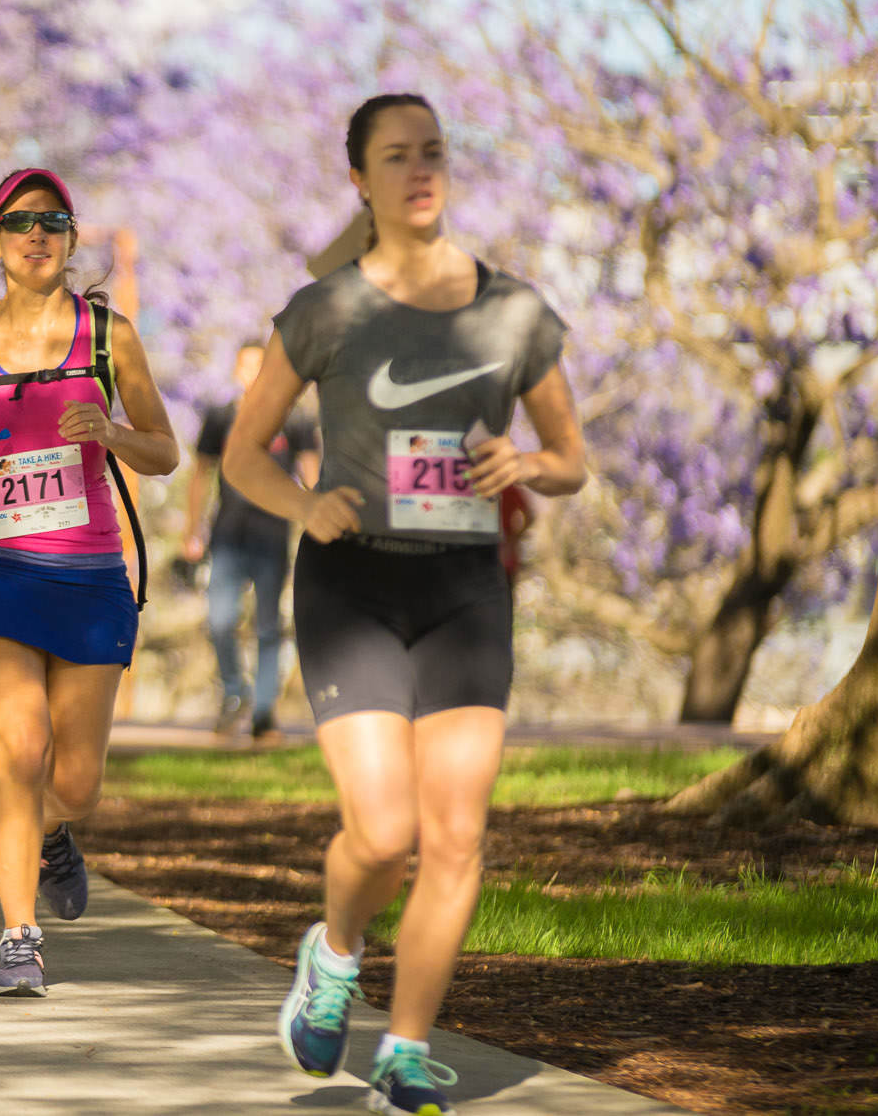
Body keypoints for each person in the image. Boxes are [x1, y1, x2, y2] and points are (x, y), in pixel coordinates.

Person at [228, 95, 585, 1115]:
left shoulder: (513, 311)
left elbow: (569, 459)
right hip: (353, 582)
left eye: (431, 150)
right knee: (381, 834)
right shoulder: (325, 309)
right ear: (360, 179)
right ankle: (333, 953)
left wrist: (526, 459)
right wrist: (305, 502)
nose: (418, 169)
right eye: (395, 156)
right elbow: (245, 457)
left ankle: (406, 1050)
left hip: (464, 587)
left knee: (457, 837)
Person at [0, 169, 178, 998]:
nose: (37, 233)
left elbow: (165, 451)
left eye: (53, 220)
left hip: (89, 571)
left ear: (70, 236)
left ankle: (52, 835)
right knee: (21, 747)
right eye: (20, 222)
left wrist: (115, 431)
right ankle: (19, 934)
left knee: (77, 781)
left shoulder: (107, 336)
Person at [185, 342, 321, 740]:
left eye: (260, 367)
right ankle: (233, 695)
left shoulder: (294, 419)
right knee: (220, 620)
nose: (253, 374)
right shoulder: (221, 417)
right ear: (236, 371)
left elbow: (311, 474)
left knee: (267, 626)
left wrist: (318, 517)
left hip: (273, 533)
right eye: (246, 366)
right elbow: (201, 474)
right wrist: (192, 530)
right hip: (227, 535)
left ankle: (263, 713)